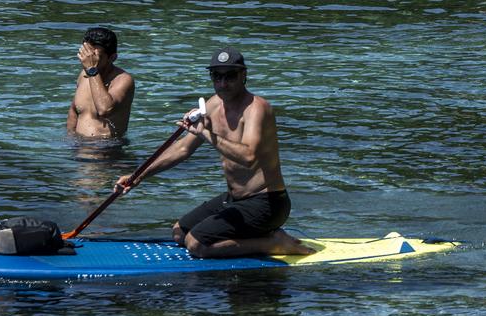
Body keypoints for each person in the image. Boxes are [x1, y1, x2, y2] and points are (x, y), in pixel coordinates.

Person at [114, 47, 311, 259]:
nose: (223, 83)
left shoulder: (257, 109)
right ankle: (262, 235)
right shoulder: (213, 105)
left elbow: (248, 157)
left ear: (244, 75)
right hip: (235, 199)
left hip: (268, 202)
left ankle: (273, 243)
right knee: (180, 233)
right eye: (217, 76)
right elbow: (182, 148)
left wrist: (206, 134)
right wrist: (138, 176)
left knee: (196, 244)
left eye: (230, 76)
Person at [67, 26, 135, 139]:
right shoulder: (83, 75)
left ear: (112, 58)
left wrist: (91, 70)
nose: (90, 60)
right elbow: (74, 110)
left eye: (96, 57)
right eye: (87, 55)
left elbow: (105, 109)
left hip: (107, 149)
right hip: (78, 147)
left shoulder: (123, 80)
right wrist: (70, 140)